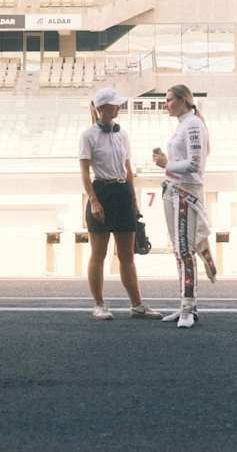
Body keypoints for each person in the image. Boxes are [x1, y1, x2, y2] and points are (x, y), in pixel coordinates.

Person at [79, 88, 161, 321]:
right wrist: (94, 200)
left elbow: (129, 170)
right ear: (102, 108)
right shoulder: (88, 135)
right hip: (102, 192)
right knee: (98, 254)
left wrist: (133, 201)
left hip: (122, 191)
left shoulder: (122, 134)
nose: (118, 107)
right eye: (114, 105)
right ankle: (99, 304)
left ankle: (137, 305)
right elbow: (84, 173)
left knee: (127, 255)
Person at [152, 84, 218, 329]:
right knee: (179, 251)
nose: (166, 104)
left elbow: (194, 165)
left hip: (186, 192)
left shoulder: (192, 125)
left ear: (183, 100)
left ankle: (188, 308)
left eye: (169, 100)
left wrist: (165, 164)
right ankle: (186, 305)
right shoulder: (184, 124)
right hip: (174, 190)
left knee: (184, 251)